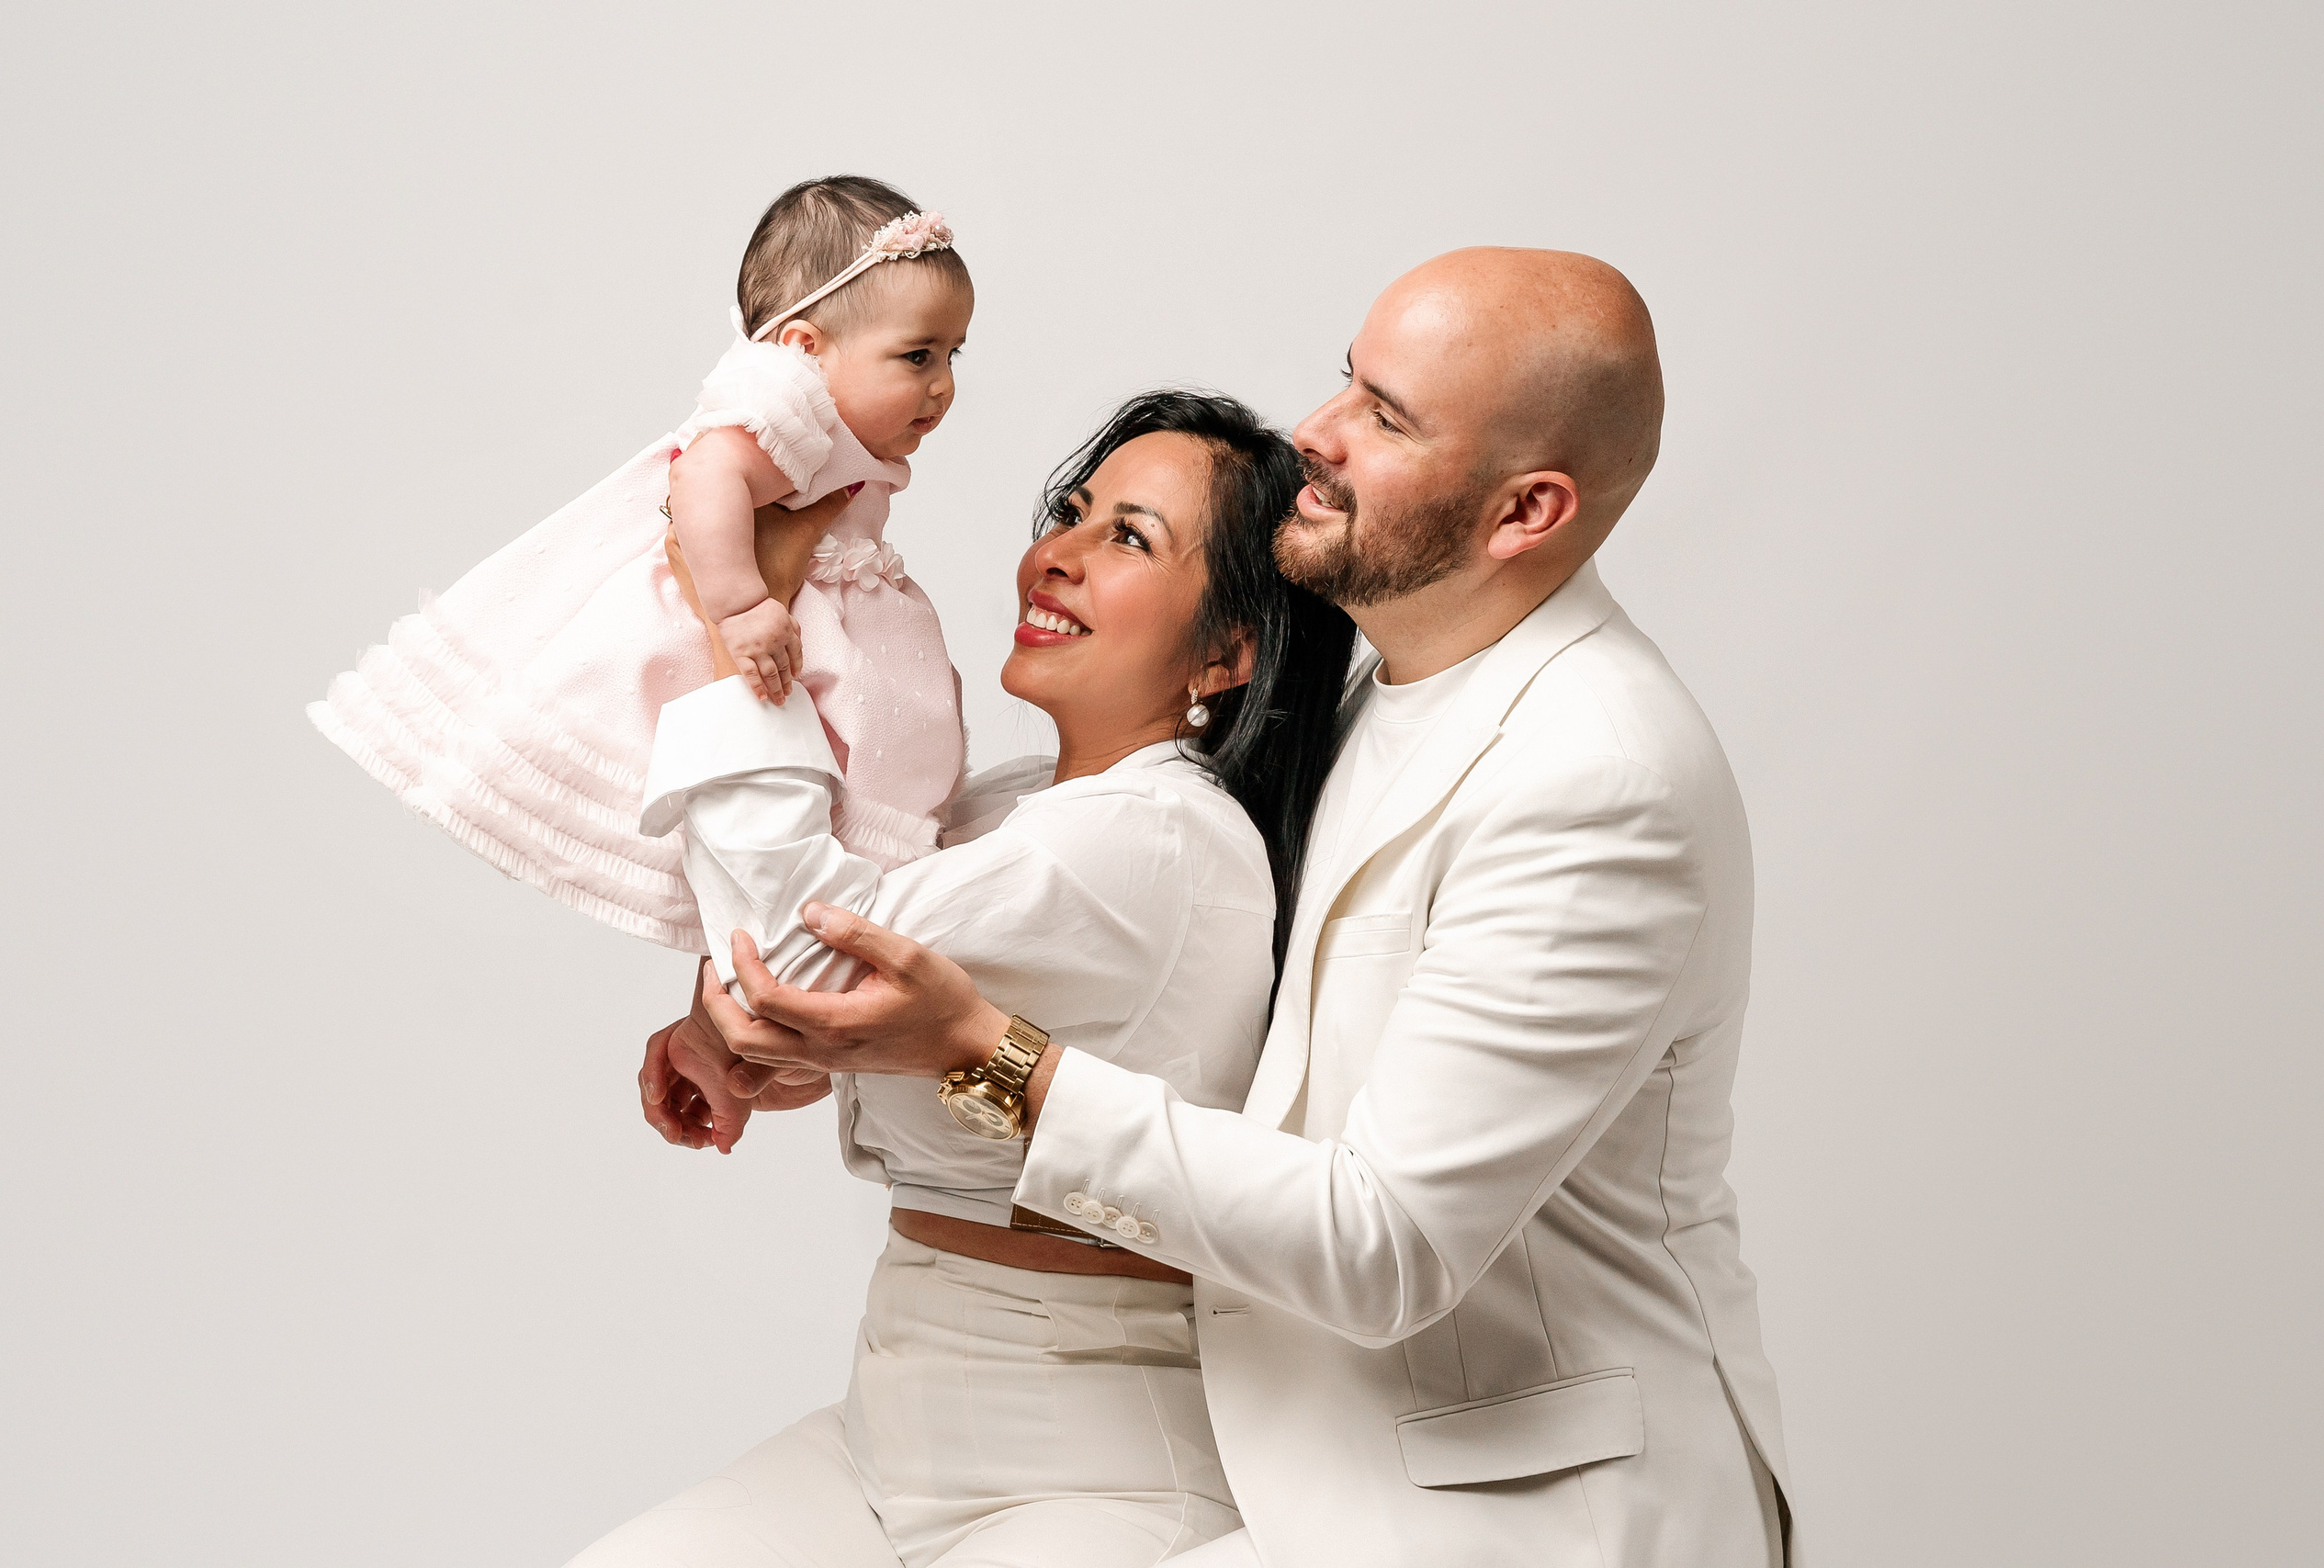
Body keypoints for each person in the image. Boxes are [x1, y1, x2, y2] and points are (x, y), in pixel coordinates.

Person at [674, 249, 1802, 1567]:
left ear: (1525, 511)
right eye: (1347, 380)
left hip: (1507, 1502)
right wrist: (829, 1042)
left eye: (1385, 416)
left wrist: (983, 1054)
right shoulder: (1359, 706)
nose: (1317, 431)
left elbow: (1384, 1245)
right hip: (1231, 1428)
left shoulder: (1598, 776)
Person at [572, 391, 1359, 1566]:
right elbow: (819, 982)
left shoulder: (1151, 835)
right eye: (1071, 514)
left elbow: (792, 950)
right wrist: (750, 1041)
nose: (1057, 555)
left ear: (1226, 653)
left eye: (1129, 537)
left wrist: (746, 639)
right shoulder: (1012, 805)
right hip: (889, 1417)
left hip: (1081, 1463)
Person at [308, 175, 973, 953]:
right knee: (772, 794)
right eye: (917, 356)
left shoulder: (822, 404)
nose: (943, 386)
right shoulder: (782, 396)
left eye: (952, 354)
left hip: (813, 605)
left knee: (824, 798)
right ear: (803, 348)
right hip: (739, 602)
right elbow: (703, 473)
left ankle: (821, 920)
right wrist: (739, 602)